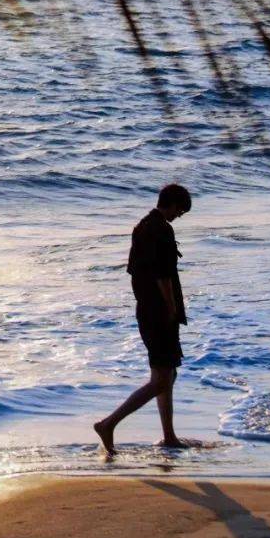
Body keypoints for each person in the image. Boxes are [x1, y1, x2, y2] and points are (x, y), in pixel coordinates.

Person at [94, 183, 191, 455]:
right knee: (162, 379)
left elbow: (134, 272)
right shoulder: (161, 229)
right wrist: (171, 308)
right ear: (170, 204)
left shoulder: (141, 227)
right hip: (160, 313)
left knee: (166, 373)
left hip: (146, 309)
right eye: (179, 210)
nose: (178, 216)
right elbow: (164, 275)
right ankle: (109, 423)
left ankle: (169, 435)